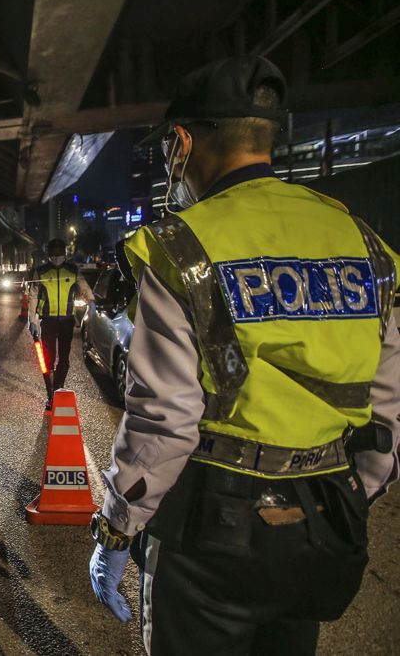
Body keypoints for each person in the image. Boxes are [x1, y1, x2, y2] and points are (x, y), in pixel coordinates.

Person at [87, 55, 400, 655]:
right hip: (326, 522)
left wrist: (116, 529)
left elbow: (166, 421)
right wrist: (348, 496)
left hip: (212, 531)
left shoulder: (179, 247)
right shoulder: (362, 240)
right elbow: (386, 412)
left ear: (183, 142)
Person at [27, 238, 94, 410]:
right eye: (53, 251)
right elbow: (33, 296)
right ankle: (50, 394)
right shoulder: (41, 272)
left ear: (64, 252)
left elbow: (83, 287)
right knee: (48, 359)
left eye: (59, 251)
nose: (56, 255)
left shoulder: (72, 270)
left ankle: (58, 388)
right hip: (48, 320)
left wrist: (91, 301)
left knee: (64, 358)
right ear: (49, 253)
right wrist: (32, 320)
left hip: (67, 320)